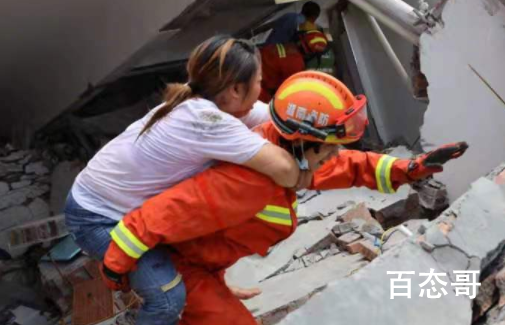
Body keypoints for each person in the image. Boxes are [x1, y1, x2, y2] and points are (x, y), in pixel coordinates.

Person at [101, 71, 468, 325]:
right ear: (303, 140)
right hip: (186, 269)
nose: (336, 156)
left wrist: (411, 168)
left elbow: (352, 166)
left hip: (208, 265)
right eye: (330, 148)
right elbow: (161, 213)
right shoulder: (247, 179)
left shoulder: (284, 159)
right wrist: (116, 269)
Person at [64, 35, 304, 325]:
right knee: (168, 298)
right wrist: (313, 159)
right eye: (259, 82)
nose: (261, 89)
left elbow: (274, 119)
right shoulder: (207, 122)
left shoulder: (202, 102)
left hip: (117, 205)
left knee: (193, 247)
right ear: (236, 89)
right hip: (97, 216)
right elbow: (287, 171)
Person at [259, 29, 329, 103]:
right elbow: (288, 92)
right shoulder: (296, 64)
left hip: (253, 69)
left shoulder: (287, 46)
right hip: (260, 89)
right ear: (311, 54)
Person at [257, 1, 321, 45]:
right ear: (313, 17)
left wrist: (252, 32)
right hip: (279, 55)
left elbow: (270, 25)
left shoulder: (289, 15)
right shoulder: (305, 27)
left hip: (268, 46)